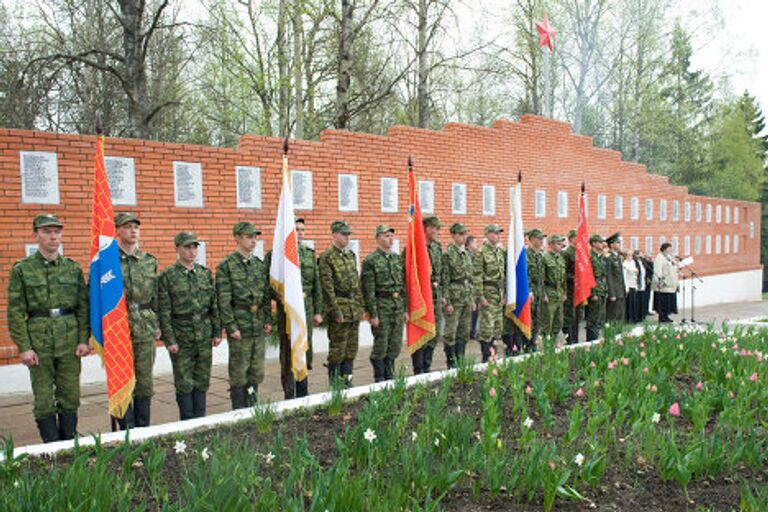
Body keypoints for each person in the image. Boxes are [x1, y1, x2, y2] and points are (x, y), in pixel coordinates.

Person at [7, 214, 90, 443]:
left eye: (57, 232)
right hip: (39, 341)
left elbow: (83, 307)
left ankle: (68, 443)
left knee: (70, 395)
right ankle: (51, 447)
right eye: (47, 232)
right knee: (43, 399)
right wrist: (24, 347)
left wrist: (84, 339)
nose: (53, 237)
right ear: (36, 235)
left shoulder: (72, 268)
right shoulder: (22, 270)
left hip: (69, 339)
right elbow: (15, 312)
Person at [158, 232, 221, 420]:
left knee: (202, 378)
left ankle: (200, 418)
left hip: (203, 333)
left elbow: (213, 305)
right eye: (187, 247)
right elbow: (164, 310)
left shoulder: (204, 274)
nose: (192, 252)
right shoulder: (168, 276)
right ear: (177, 249)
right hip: (181, 334)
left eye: (194, 247)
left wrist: (217, 331)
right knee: (184, 380)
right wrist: (169, 339)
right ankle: (186, 420)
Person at [265, 217, 323, 399]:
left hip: (306, 307)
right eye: (296, 229)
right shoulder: (276, 255)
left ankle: (303, 390)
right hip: (288, 310)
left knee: (304, 348)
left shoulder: (308, 254)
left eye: (303, 230)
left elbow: (316, 284)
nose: (300, 233)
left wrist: (318, 311)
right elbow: (270, 284)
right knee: (289, 351)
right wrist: (282, 297)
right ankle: (289, 393)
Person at [216, 222, 272, 409]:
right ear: (237, 238)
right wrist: (231, 326)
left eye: (255, 237)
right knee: (239, 371)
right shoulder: (227, 265)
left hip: (257, 323)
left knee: (256, 369)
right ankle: (238, 410)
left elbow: (265, 295)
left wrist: (267, 319)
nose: (253, 240)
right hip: (240, 324)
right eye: (249, 237)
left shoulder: (258, 264)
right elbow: (223, 300)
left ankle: (252, 407)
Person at [114, 212, 160, 429]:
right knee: (122, 379)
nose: (133, 231)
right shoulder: (107, 261)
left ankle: (143, 428)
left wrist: (157, 324)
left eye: (136, 227)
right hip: (118, 326)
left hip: (144, 324)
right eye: (127, 227)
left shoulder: (148, 261)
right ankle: (125, 428)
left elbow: (156, 296)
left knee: (144, 381)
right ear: (117, 230)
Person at [319, 220, 363, 385]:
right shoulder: (327, 257)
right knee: (338, 348)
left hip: (353, 308)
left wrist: (360, 305)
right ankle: (335, 385)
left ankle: (347, 382)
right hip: (339, 306)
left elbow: (356, 283)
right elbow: (327, 287)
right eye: (343, 234)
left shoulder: (350, 255)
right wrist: (334, 310)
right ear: (334, 235)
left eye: (348, 234)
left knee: (351, 348)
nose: (347, 237)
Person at [361, 225, 405, 382]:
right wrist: (372, 314)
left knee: (395, 343)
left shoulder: (396, 258)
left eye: (392, 236)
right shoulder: (371, 260)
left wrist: (404, 308)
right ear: (378, 238)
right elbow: (368, 290)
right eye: (387, 236)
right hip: (381, 306)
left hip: (397, 306)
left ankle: (389, 376)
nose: (390, 238)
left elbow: (402, 285)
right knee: (381, 343)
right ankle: (379, 377)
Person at [410, 215, 444, 374]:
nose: (437, 232)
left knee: (434, 333)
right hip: (421, 298)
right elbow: (410, 276)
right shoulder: (414, 248)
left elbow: (442, 273)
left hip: (435, 296)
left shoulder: (437, 247)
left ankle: (427, 364)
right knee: (421, 332)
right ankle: (419, 369)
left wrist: (443, 294)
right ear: (427, 228)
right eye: (435, 228)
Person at [441, 223, 474, 367]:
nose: (463, 236)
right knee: (450, 331)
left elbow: (470, 278)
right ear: (453, 235)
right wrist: (447, 301)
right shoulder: (448, 254)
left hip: (466, 296)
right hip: (454, 298)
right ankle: (451, 363)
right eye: (460, 234)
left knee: (464, 331)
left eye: (465, 233)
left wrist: (472, 299)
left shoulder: (467, 253)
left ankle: (460, 360)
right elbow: (445, 279)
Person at [473, 224, 505, 362]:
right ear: (487, 234)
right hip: (487, 292)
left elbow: (502, 275)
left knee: (497, 327)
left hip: (498, 293)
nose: (498, 235)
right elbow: (477, 276)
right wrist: (480, 296)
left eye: (499, 233)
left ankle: (494, 355)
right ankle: (486, 357)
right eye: (495, 233)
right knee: (487, 327)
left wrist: (503, 294)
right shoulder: (481, 252)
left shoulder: (498, 252)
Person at [525, 228, 546, 351]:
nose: (541, 241)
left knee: (538, 319)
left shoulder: (539, 255)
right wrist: (529, 291)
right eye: (539, 238)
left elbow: (542, 277)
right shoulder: (527, 255)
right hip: (531, 291)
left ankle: (533, 342)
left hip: (539, 291)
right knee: (530, 319)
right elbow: (525, 275)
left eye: (542, 239)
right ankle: (527, 344)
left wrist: (543, 293)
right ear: (531, 239)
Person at [541, 234, 566, 341]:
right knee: (548, 322)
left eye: (561, 244)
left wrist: (564, 293)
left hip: (559, 293)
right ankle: (547, 345)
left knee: (558, 321)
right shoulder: (545, 258)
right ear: (551, 244)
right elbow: (541, 279)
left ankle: (553, 342)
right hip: (549, 292)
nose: (561, 246)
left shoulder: (560, 258)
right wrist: (543, 294)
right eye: (558, 243)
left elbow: (563, 278)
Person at [585, 234, 608, 341]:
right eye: (600, 242)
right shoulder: (590, 257)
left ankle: (597, 338)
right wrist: (593, 293)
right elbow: (589, 276)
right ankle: (591, 340)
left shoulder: (601, 257)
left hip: (602, 289)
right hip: (595, 291)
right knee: (593, 317)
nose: (602, 244)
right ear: (593, 243)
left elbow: (604, 274)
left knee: (600, 316)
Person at [561, 229, 580, 344]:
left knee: (577, 314)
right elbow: (564, 272)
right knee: (569, 314)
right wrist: (574, 278)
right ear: (571, 239)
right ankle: (570, 338)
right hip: (570, 288)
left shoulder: (580, 252)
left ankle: (576, 338)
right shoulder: (567, 253)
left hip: (578, 289)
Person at [652, 242, 679, 323]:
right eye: (669, 249)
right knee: (663, 302)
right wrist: (659, 281)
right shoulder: (659, 258)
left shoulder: (669, 257)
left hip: (670, 283)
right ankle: (662, 316)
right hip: (664, 284)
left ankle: (666, 315)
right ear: (664, 249)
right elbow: (657, 270)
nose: (670, 250)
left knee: (669, 301)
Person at [604, 233, 626, 323]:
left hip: (620, 291)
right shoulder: (608, 257)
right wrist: (611, 293)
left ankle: (618, 335)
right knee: (612, 316)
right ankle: (611, 334)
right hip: (614, 292)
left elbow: (620, 276)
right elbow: (608, 276)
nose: (619, 244)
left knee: (620, 316)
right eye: (617, 242)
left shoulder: (617, 257)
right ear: (612, 244)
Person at [465, 235, 480, 341]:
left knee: (475, 311)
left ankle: (472, 331)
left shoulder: (474, 255)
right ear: (470, 243)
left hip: (473, 287)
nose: (476, 245)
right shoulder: (467, 255)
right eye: (475, 242)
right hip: (466, 288)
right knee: (469, 311)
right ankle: (469, 332)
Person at [622, 251, 640, 323]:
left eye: (631, 255)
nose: (630, 257)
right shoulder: (625, 264)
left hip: (633, 284)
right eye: (628, 255)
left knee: (634, 302)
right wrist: (626, 287)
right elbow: (625, 276)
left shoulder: (633, 262)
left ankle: (634, 318)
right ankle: (628, 318)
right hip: (628, 285)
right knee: (629, 303)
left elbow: (636, 273)